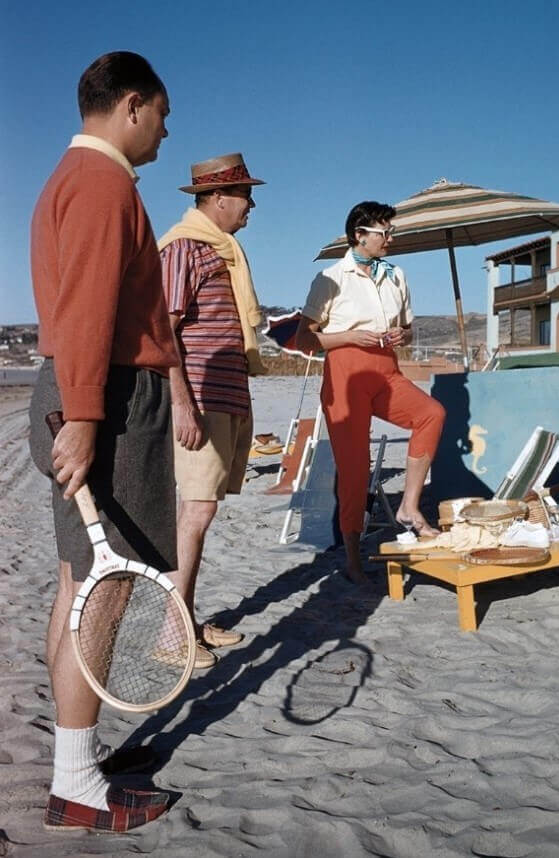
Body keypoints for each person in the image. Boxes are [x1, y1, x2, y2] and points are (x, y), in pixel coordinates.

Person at [28, 51, 178, 832]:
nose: (163, 130)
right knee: (106, 590)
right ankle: (77, 784)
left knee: (78, 584)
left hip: (91, 392)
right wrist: (86, 417)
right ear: (131, 104)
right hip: (109, 399)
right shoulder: (100, 182)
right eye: (160, 114)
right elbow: (87, 307)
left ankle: (72, 765)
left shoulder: (72, 177)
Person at [296, 201, 446, 584]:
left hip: (386, 367)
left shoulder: (397, 276)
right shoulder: (331, 277)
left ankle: (409, 508)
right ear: (359, 235)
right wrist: (348, 336)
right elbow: (303, 339)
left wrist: (403, 335)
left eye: (391, 231)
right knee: (355, 468)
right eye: (384, 232)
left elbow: (409, 329)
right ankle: (351, 557)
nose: (391, 238)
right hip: (346, 373)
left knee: (432, 414)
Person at [158, 153, 266, 666]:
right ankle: (171, 637)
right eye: (245, 195)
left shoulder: (222, 252)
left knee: (201, 511)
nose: (251, 205)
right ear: (218, 198)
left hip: (222, 397)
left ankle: (185, 620)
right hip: (198, 399)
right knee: (196, 511)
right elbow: (163, 331)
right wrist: (181, 403)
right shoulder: (184, 248)